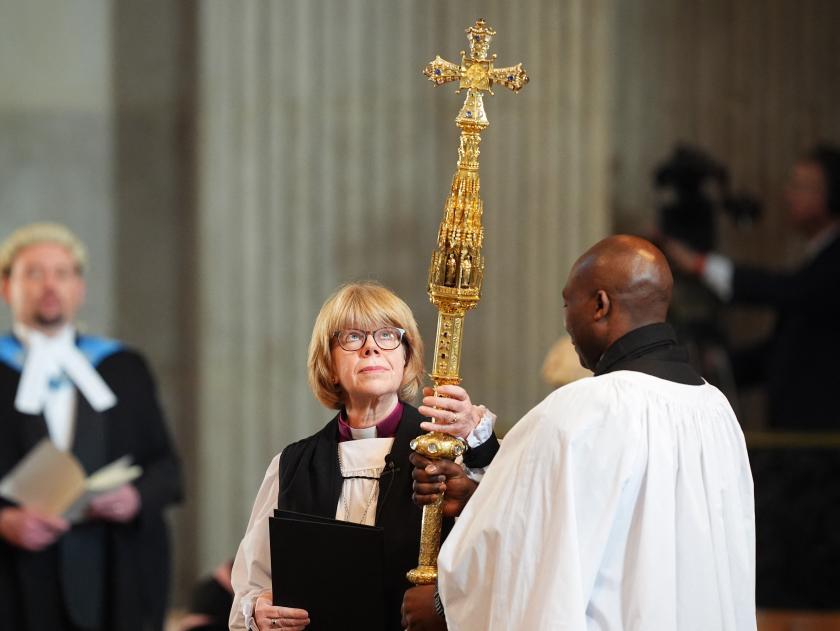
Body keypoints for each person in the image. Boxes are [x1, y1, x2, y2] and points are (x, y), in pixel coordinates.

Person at [401, 235, 756, 631]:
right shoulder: (718, 412)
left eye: (568, 304)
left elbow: (528, 555)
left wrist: (443, 604)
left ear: (600, 305)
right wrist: (477, 493)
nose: (567, 323)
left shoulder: (579, 411)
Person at [229, 282, 499, 631]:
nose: (371, 348)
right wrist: (258, 609)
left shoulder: (448, 451)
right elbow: (254, 584)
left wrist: (476, 437)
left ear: (407, 356)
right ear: (329, 362)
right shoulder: (293, 466)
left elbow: (507, 535)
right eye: (353, 337)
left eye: (387, 335)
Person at [0, 223, 183, 630]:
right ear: (6, 286)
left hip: (115, 572)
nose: (50, 285)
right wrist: (4, 521)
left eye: (62, 273)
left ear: (80, 288)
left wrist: (135, 497)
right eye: (33, 273)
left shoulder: (123, 368)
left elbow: (168, 472)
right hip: (17, 580)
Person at [661, 144, 840, 430]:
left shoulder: (832, 261)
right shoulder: (817, 256)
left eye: (801, 186)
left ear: (832, 195)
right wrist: (717, 364)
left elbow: (787, 291)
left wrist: (700, 265)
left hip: (820, 437)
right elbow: (785, 350)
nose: (788, 195)